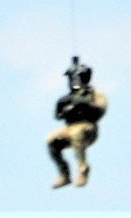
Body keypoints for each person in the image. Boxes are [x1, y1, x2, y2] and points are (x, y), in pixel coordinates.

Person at [46, 57, 107, 188]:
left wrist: (83, 104)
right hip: (70, 127)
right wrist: (65, 108)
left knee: (76, 133)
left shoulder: (94, 94)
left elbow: (100, 110)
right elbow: (58, 115)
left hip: (87, 128)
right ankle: (64, 174)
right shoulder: (67, 98)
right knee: (51, 140)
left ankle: (83, 169)